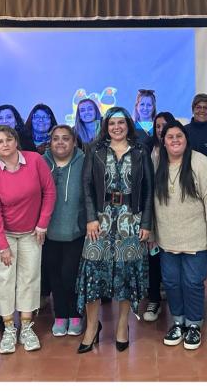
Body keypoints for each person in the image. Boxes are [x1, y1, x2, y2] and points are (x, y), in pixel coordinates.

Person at [77, 107, 154, 354]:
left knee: (125, 273)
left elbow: (149, 190)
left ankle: (122, 326)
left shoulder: (141, 150)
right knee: (93, 273)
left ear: (128, 125)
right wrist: (90, 217)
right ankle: (91, 328)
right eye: (112, 123)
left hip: (130, 219)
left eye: (121, 123)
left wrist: (146, 224)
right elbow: (86, 185)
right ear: (106, 126)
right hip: (100, 220)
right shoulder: (95, 150)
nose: (117, 127)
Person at [0, 125, 56, 354]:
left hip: (31, 233)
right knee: (4, 280)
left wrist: (42, 223)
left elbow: (50, 192)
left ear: (16, 141)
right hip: (3, 234)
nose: (4, 144)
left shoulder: (35, 161)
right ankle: (8, 329)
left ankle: (26, 327)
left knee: (29, 277)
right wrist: (3, 246)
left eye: (8, 139)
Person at [153, 121, 207, 350]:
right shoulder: (157, 162)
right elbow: (150, 202)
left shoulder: (200, 163)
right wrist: (152, 233)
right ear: (163, 141)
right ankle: (178, 322)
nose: (174, 140)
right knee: (172, 283)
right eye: (169, 136)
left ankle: (193, 325)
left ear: (186, 139)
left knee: (193, 283)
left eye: (179, 136)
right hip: (166, 238)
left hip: (196, 238)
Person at [42, 125, 86, 337]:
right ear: (50, 142)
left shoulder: (83, 161)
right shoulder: (42, 162)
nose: (60, 142)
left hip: (75, 230)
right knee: (55, 275)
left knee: (71, 275)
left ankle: (75, 313)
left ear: (74, 142)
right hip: (48, 231)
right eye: (56, 139)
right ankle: (60, 315)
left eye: (65, 138)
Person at [142, 111, 176, 323]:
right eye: (157, 126)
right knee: (153, 260)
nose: (161, 129)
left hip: (176, 218)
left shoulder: (180, 153)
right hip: (154, 214)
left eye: (165, 125)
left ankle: (177, 303)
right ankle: (153, 299)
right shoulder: (150, 152)